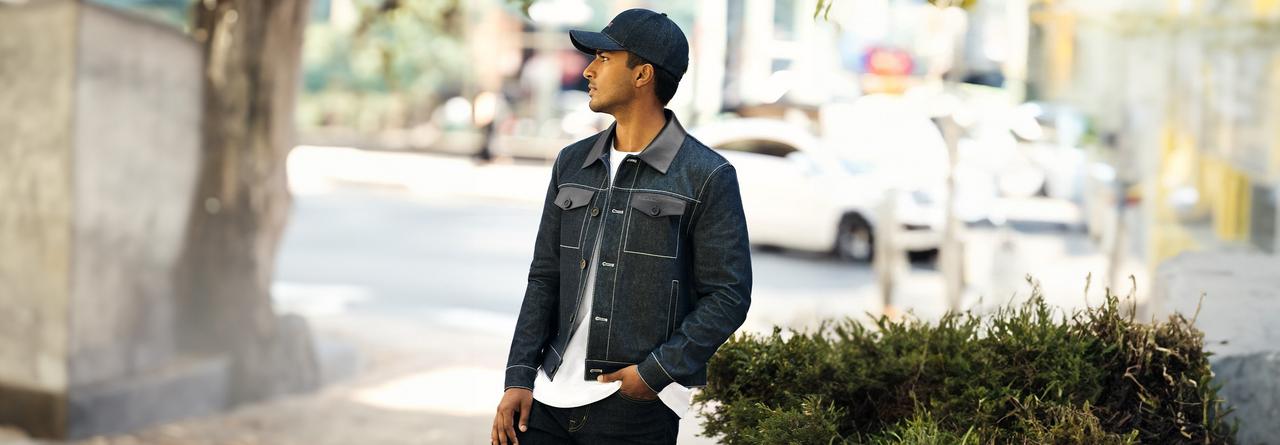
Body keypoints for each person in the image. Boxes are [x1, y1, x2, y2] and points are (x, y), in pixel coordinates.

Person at [490, 8, 752, 445]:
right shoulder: (572, 162)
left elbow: (728, 294)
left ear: (642, 74)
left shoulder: (706, 175)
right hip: (548, 399)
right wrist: (518, 376)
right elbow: (545, 276)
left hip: (633, 408)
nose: (589, 69)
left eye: (604, 58)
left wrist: (653, 375)